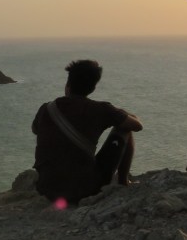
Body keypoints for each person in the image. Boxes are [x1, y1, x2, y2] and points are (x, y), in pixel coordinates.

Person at [31, 60, 143, 205]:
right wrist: (121, 113)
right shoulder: (101, 109)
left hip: (46, 190)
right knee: (124, 128)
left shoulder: (47, 109)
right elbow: (137, 126)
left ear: (68, 85)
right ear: (93, 87)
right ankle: (123, 182)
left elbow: (35, 130)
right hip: (84, 190)